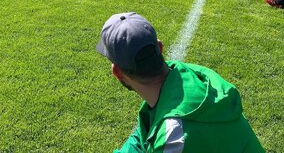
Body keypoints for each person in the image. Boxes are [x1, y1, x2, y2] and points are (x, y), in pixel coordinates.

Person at [96, 12, 265, 152]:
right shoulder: (183, 74)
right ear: (160, 48)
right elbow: (142, 137)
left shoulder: (173, 138)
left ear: (117, 72)